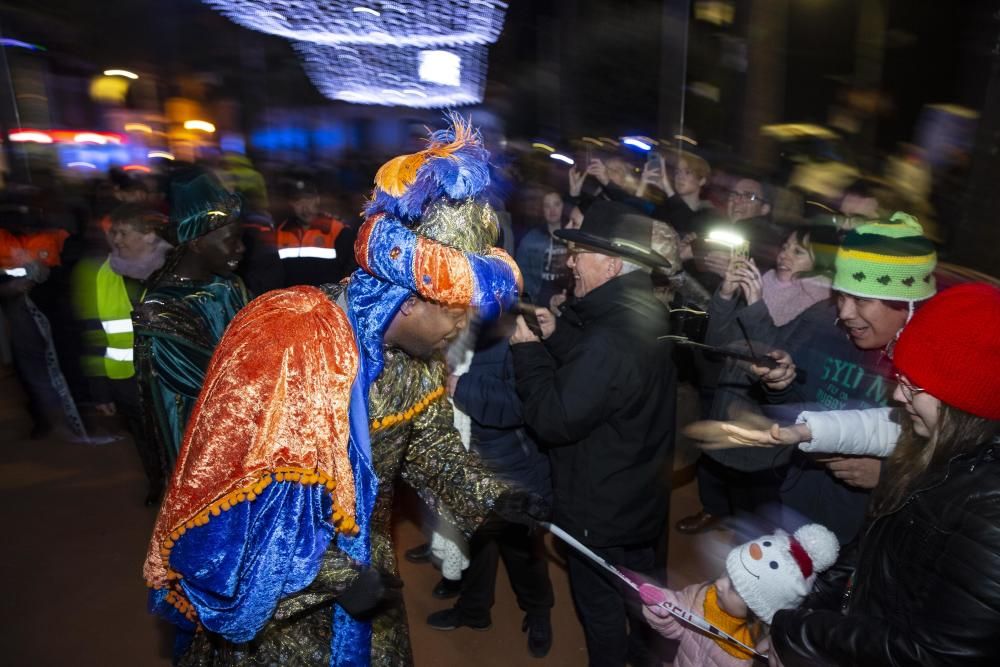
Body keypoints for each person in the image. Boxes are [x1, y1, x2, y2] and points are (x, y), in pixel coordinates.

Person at [143, 118, 543, 666]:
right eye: (455, 315)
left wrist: (494, 498)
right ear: (408, 300)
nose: (460, 331)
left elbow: (429, 447)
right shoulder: (292, 340)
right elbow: (243, 502)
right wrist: (330, 577)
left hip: (369, 572)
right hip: (285, 597)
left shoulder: (415, 358)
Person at [766, 283, 1000, 666]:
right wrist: (815, 604)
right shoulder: (939, 446)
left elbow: (936, 654)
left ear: (967, 399)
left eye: (914, 386)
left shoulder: (989, 512)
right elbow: (878, 556)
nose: (897, 396)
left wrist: (799, 634)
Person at [511, 200, 676, 666]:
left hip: (599, 507)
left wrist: (527, 352)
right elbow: (611, 381)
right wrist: (559, 335)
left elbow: (553, 418)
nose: (570, 262)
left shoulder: (611, 337)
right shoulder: (642, 313)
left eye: (579, 252)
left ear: (611, 263)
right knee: (643, 603)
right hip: (636, 494)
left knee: (603, 611)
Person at [741, 214, 937, 544]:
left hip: (870, 537)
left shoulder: (934, 369)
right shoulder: (822, 322)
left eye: (861, 300)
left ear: (907, 305)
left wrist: (887, 476)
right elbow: (796, 407)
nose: (845, 313)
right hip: (795, 511)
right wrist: (780, 385)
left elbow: (958, 469)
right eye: (841, 296)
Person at [677, 226, 837, 533]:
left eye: (798, 251)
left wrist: (755, 305)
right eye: (785, 246)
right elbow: (718, 342)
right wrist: (725, 293)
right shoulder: (764, 283)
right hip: (730, 401)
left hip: (764, 420)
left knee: (756, 514)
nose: (784, 255)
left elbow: (771, 362)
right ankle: (720, 520)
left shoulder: (820, 307)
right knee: (729, 489)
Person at [426, 321, 555, 658]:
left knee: (522, 551)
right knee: (476, 545)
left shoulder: (512, 332)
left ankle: (539, 611)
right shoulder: (448, 326)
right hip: (468, 463)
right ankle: (474, 611)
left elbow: (521, 404)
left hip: (510, 467)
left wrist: (460, 387)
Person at [133, 170, 250, 472]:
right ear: (197, 243)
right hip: (205, 443)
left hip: (246, 433)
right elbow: (209, 384)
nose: (241, 249)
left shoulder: (229, 286)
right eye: (232, 240)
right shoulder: (161, 312)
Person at [71, 204, 172, 503]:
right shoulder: (104, 273)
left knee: (176, 435)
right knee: (144, 440)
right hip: (125, 377)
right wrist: (100, 390)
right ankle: (156, 485)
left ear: (149, 235)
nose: (116, 238)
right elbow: (94, 331)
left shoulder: (173, 268)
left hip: (167, 371)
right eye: (113, 232)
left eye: (123, 232)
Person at [641, 523, 838, 666]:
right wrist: (664, 609)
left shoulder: (762, 652)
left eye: (734, 588)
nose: (719, 584)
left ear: (759, 610)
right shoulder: (703, 596)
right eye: (726, 572)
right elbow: (677, 627)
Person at [276, 177, 357, 287]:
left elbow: (350, 271)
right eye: (298, 201)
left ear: (317, 199)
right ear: (290, 203)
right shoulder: (281, 232)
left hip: (326, 301)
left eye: (308, 199)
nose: (305, 207)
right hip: (292, 301)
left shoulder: (337, 230)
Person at [515, 189, 573, 312]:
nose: (552, 210)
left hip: (569, 302)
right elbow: (521, 272)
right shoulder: (531, 238)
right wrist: (542, 297)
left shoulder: (573, 236)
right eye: (547, 206)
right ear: (542, 210)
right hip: (540, 302)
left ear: (564, 206)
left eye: (556, 204)